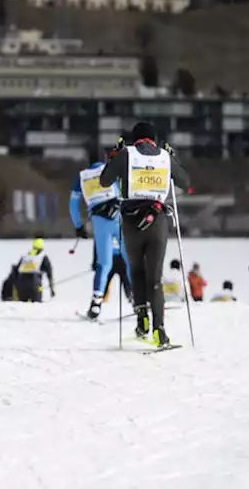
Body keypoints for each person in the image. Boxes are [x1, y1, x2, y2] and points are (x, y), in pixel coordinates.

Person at [99, 121, 191, 348]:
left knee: (136, 271)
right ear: (154, 139)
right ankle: (160, 332)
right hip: (157, 220)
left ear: (134, 138)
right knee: (155, 278)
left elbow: (104, 181)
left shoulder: (125, 154)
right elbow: (186, 183)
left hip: (131, 222)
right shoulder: (164, 156)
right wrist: (172, 158)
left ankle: (142, 321)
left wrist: (115, 156)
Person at [70, 152, 125, 320]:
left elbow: (73, 204)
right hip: (119, 219)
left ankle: (96, 304)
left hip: (100, 222)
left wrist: (79, 226)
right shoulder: (111, 169)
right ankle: (141, 302)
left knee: (104, 264)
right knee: (130, 260)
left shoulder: (82, 177)